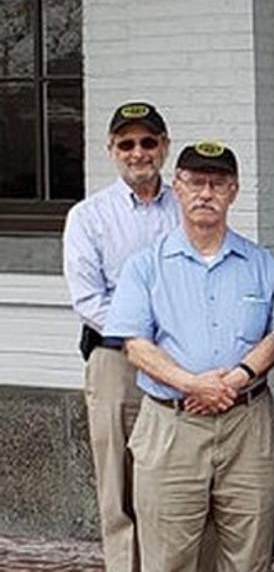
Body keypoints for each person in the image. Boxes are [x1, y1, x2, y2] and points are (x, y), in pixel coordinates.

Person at [106, 142, 274, 572]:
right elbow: (134, 344)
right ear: (177, 188)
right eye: (196, 182)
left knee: (249, 552)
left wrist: (236, 380)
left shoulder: (262, 264)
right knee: (168, 557)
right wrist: (191, 384)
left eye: (217, 183)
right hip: (172, 423)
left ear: (234, 191)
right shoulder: (145, 266)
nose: (206, 193)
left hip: (247, 423)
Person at [62, 101, 179, 572]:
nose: (138, 152)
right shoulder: (89, 217)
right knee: (119, 488)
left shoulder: (188, 205)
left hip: (180, 361)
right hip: (116, 362)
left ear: (164, 147)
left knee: (173, 482)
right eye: (126, 144)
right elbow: (88, 300)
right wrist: (144, 337)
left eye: (148, 142)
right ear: (111, 150)